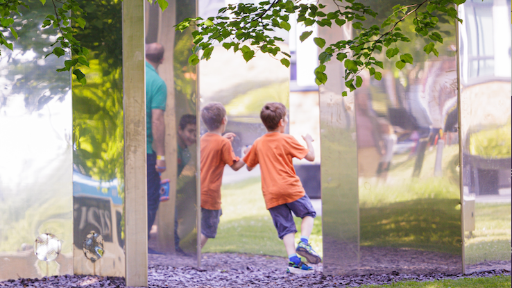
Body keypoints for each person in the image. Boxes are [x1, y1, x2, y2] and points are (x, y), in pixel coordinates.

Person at [243, 102, 321, 275]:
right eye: (285, 118)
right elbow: (311, 156)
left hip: (271, 193)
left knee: (286, 227)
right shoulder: (287, 139)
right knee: (308, 213)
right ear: (281, 122)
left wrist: (247, 152)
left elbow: (248, 166)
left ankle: (294, 262)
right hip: (291, 188)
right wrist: (308, 141)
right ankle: (305, 242)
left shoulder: (259, 143)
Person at [199, 103, 246, 249]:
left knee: (212, 218)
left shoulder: (202, 139)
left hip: (198, 191)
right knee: (208, 229)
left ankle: (192, 253)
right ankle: (194, 252)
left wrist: (223, 139)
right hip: (210, 194)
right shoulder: (223, 144)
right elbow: (236, 166)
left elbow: (214, 147)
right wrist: (248, 155)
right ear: (224, 120)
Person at [145, 42, 167, 245]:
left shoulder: (131, 75)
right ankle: (142, 247)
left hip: (122, 149)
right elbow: (157, 120)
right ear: (162, 59)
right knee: (150, 197)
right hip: (146, 152)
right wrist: (161, 156)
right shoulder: (157, 83)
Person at [174, 114, 197, 254]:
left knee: (191, 211)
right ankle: (175, 245)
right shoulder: (174, 148)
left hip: (178, 189)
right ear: (180, 130)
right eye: (189, 131)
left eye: (195, 133)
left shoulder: (186, 152)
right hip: (169, 189)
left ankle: (179, 243)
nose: (192, 136)